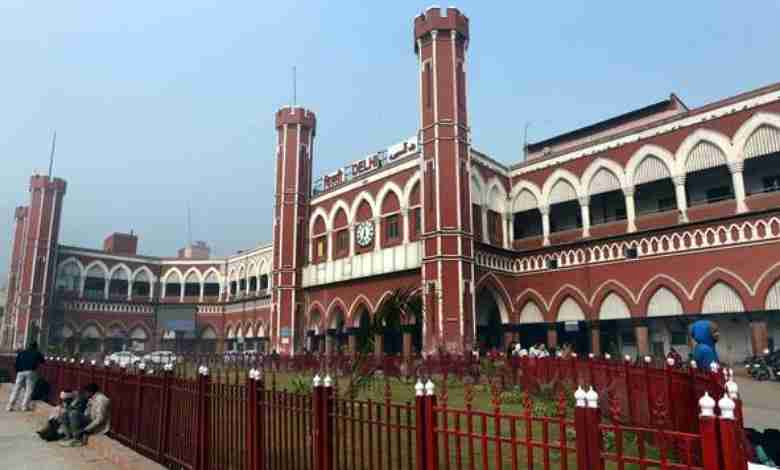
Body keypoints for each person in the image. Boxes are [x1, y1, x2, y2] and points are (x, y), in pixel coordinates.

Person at [59, 383, 111, 448]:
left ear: (90, 392)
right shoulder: (91, 398)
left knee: (73, 414)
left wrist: (86, 429)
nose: (84, 394)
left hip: (97, 426)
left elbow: (100, 419)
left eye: (86, 392)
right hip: (90, 421)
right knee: (65, 413)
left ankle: (77, 439)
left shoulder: (102, 400)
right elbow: (87, 413)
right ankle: (69, 436)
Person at [6, 341, 46, 412]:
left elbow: (16, 363)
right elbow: (43, 361)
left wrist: (18, 370)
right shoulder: (36, 353)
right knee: (29, 389)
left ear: (28, 346)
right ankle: (24, 406)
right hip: (31, 372)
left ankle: (10, 406)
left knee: (16, 388)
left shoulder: (22, 352)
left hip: (20, 372)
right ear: (36, 347)